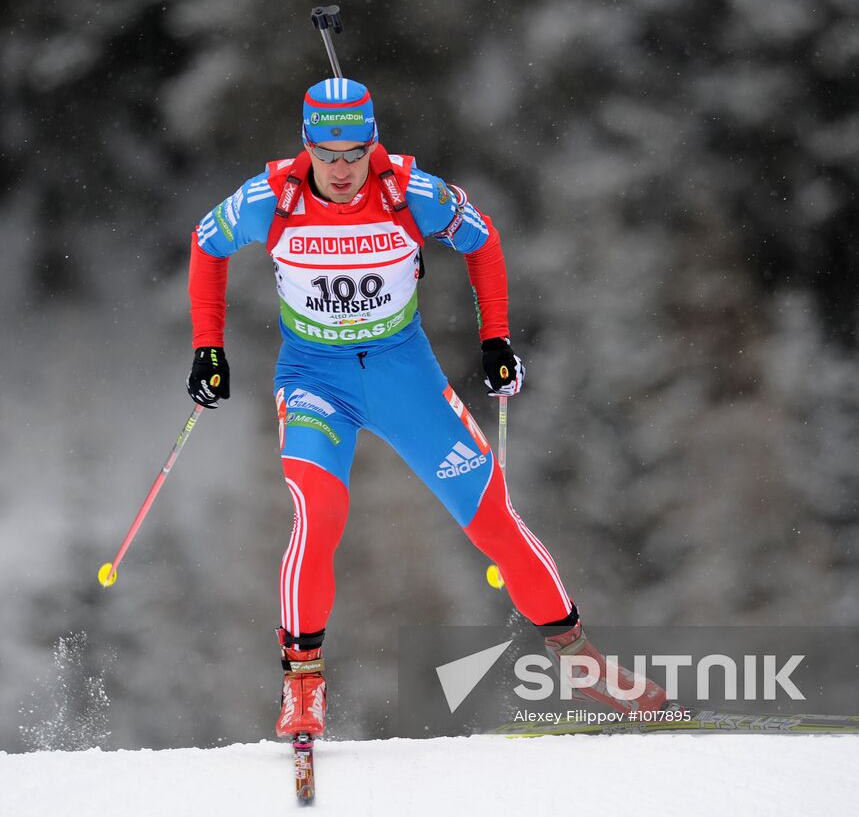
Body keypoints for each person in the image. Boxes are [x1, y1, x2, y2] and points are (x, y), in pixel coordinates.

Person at [186, 78, 666, 739]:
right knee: (319, 512)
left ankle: (584, 662)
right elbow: (206, 244)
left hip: (403, 376)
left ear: (373, 142)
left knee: (492, 516)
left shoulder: (410, 191)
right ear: (307, 146)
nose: (344, 168)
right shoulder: (272, 198)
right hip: (314, 380)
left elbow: (483, 239)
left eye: (357, 150)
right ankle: (303, 684)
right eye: (329, 152)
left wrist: (495, 337)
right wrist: (208, 349)